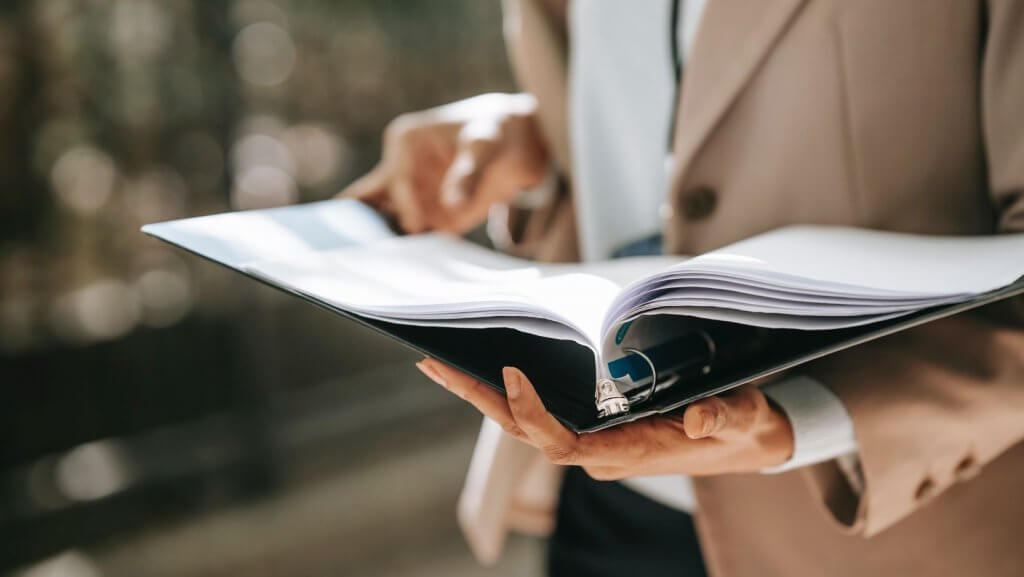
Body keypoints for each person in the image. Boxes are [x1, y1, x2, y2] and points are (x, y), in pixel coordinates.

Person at [342, 1, 1024, 575]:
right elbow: (655, 122)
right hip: (608, 507)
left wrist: (810, 419)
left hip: (879, 525)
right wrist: (533, 145)